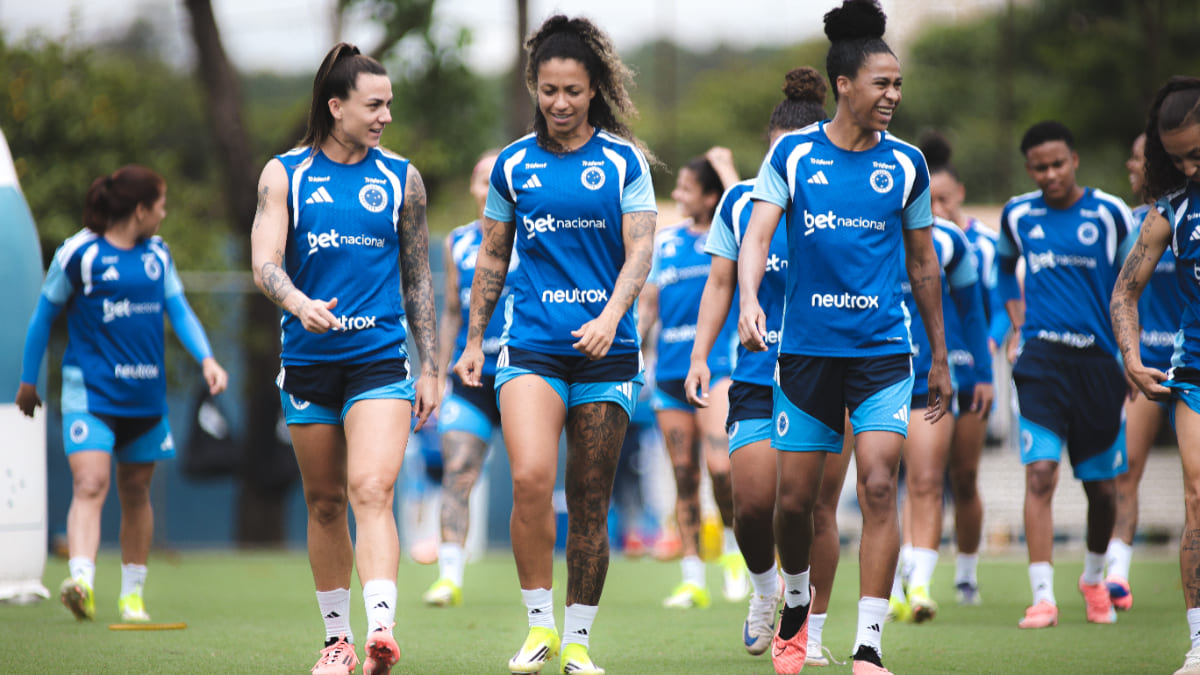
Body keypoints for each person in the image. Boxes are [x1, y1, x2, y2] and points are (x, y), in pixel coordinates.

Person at [736, 2, 953, 673]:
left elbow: (922, 263)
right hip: (804, 352)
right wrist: (749, 298)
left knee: (880, 485)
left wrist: (939, 352)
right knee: (795, 501)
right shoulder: (794, 157)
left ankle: (868, 644)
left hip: (884, 352)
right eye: (881, 84)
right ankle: (795, 603)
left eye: (897, 85)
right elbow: (759, 233)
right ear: (845, 86)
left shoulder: (909, 164)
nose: (892, 96)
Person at [452, 15, 657, 675]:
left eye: (572, 90)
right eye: (548, 90)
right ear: (534, 88)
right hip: (532, 344)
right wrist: (475, 339)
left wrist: (610, 315)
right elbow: (491, 256)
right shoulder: (513, 164)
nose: (560, 103)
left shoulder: (624, 161)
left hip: (609, 350)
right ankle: (539, 626)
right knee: (531, 477)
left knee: (591, 495)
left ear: (594, 89)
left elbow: (641, 248)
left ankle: (577, 640)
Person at [249, 42, 439, 675]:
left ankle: (381, 628)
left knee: (371, 488)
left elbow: (418, 280)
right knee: (326, 501)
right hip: (307, 363)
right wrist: (298, 302)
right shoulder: (285, 175)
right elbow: (264, 263)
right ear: (336, 107)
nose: (385, 115)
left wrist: (431, 366)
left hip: (380, 361)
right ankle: (338, 640)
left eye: (389, 104)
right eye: (373, 104)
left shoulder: (400, 179)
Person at [16, 165, 228, 624]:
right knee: (91, 483)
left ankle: (132, 595)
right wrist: (29, 382)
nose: (164, 214)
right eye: (161, 205)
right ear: (140, 209)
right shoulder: (78, 253)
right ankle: (82, 582)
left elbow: (181, 312)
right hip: (90, 394)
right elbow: (41, 318)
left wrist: (208, 359)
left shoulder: (158, 256)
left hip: (145, 396)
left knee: (136, 490)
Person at [684, 66, 845, 665]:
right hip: (755, 374)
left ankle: (813, 630)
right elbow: (720, 282)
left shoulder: (845, 198)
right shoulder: (739, 201)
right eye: (779, 155)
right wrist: (700, 356)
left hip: (832, 370)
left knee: (814, 509)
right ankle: (764, 592)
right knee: (750, 503)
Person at [996, 120, 1134, 630]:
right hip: (1041, 363)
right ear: (1029, 169)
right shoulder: (1017, 214)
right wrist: (1015, 322)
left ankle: (1094, 579)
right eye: (1039, 167)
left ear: (1074, 159)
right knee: (1040, 474)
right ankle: (1042, 599)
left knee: (1102, 491)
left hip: (1099, 366)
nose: (1049, 174)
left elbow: (1130, 286)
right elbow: (1000, 270)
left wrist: (1131, 356)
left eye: (1057, 163)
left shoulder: (1111, 214)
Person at [1109, 75, 1200, 675]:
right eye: (1178, 159)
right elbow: (1124, 294)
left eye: (1199, 152)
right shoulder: (1173, 212)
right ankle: (1199, 644)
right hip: (1195, 371)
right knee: (1198, 499)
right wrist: (1132, 358)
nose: (1190, 167)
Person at [639, 154, 747, 609]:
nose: (678, 196)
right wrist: (631, 350)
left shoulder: (733, 240)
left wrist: (725, 170)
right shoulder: (665, 244)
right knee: (684, 475)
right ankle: (691, 577)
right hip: (668, 374)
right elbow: (648, 307)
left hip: (717, 371)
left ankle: (737, 557)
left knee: (722, 471)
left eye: (685, 188)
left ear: (709, 196)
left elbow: (748, 208)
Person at [886, 215, 992, 624]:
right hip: (868, 376)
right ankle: (889, 587)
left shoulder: (949, 239)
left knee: (927, 480)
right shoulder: (853, 221)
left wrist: (982, 374)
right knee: (877, 485)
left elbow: (972, 308)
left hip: (925, 379)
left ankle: (920, 586)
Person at [921, 132, 1007, 605]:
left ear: (960, 196)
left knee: (964, 476)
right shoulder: (913, 240)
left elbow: (991, 308)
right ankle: (912, 578)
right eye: (928, 199)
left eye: (944, 199)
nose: (937, 208)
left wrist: (986, 352)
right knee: (918, 479)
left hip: (969, 372)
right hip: (920, 374)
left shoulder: (982, 245)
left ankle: (967, 573)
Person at [421, 149, 507, 608]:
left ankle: (541, 589)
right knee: (457, 471)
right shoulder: (457, 241)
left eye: (497, 180)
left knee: (535, 482)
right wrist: (434, 370)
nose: (488, 187)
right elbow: (452, 310)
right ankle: (449, 577)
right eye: (481, 178)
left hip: (521, 377)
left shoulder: (530, 236)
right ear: (473, 188)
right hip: (469, 380)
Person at [1105, 132, 1182, 612]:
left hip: (1188, 364)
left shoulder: (1188, 217)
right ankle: (1117, 574)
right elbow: (1118, 296)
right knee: (1125, 471)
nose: (1131, 168)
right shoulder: (1133, 225)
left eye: (1138, 160)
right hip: (1144, 368)